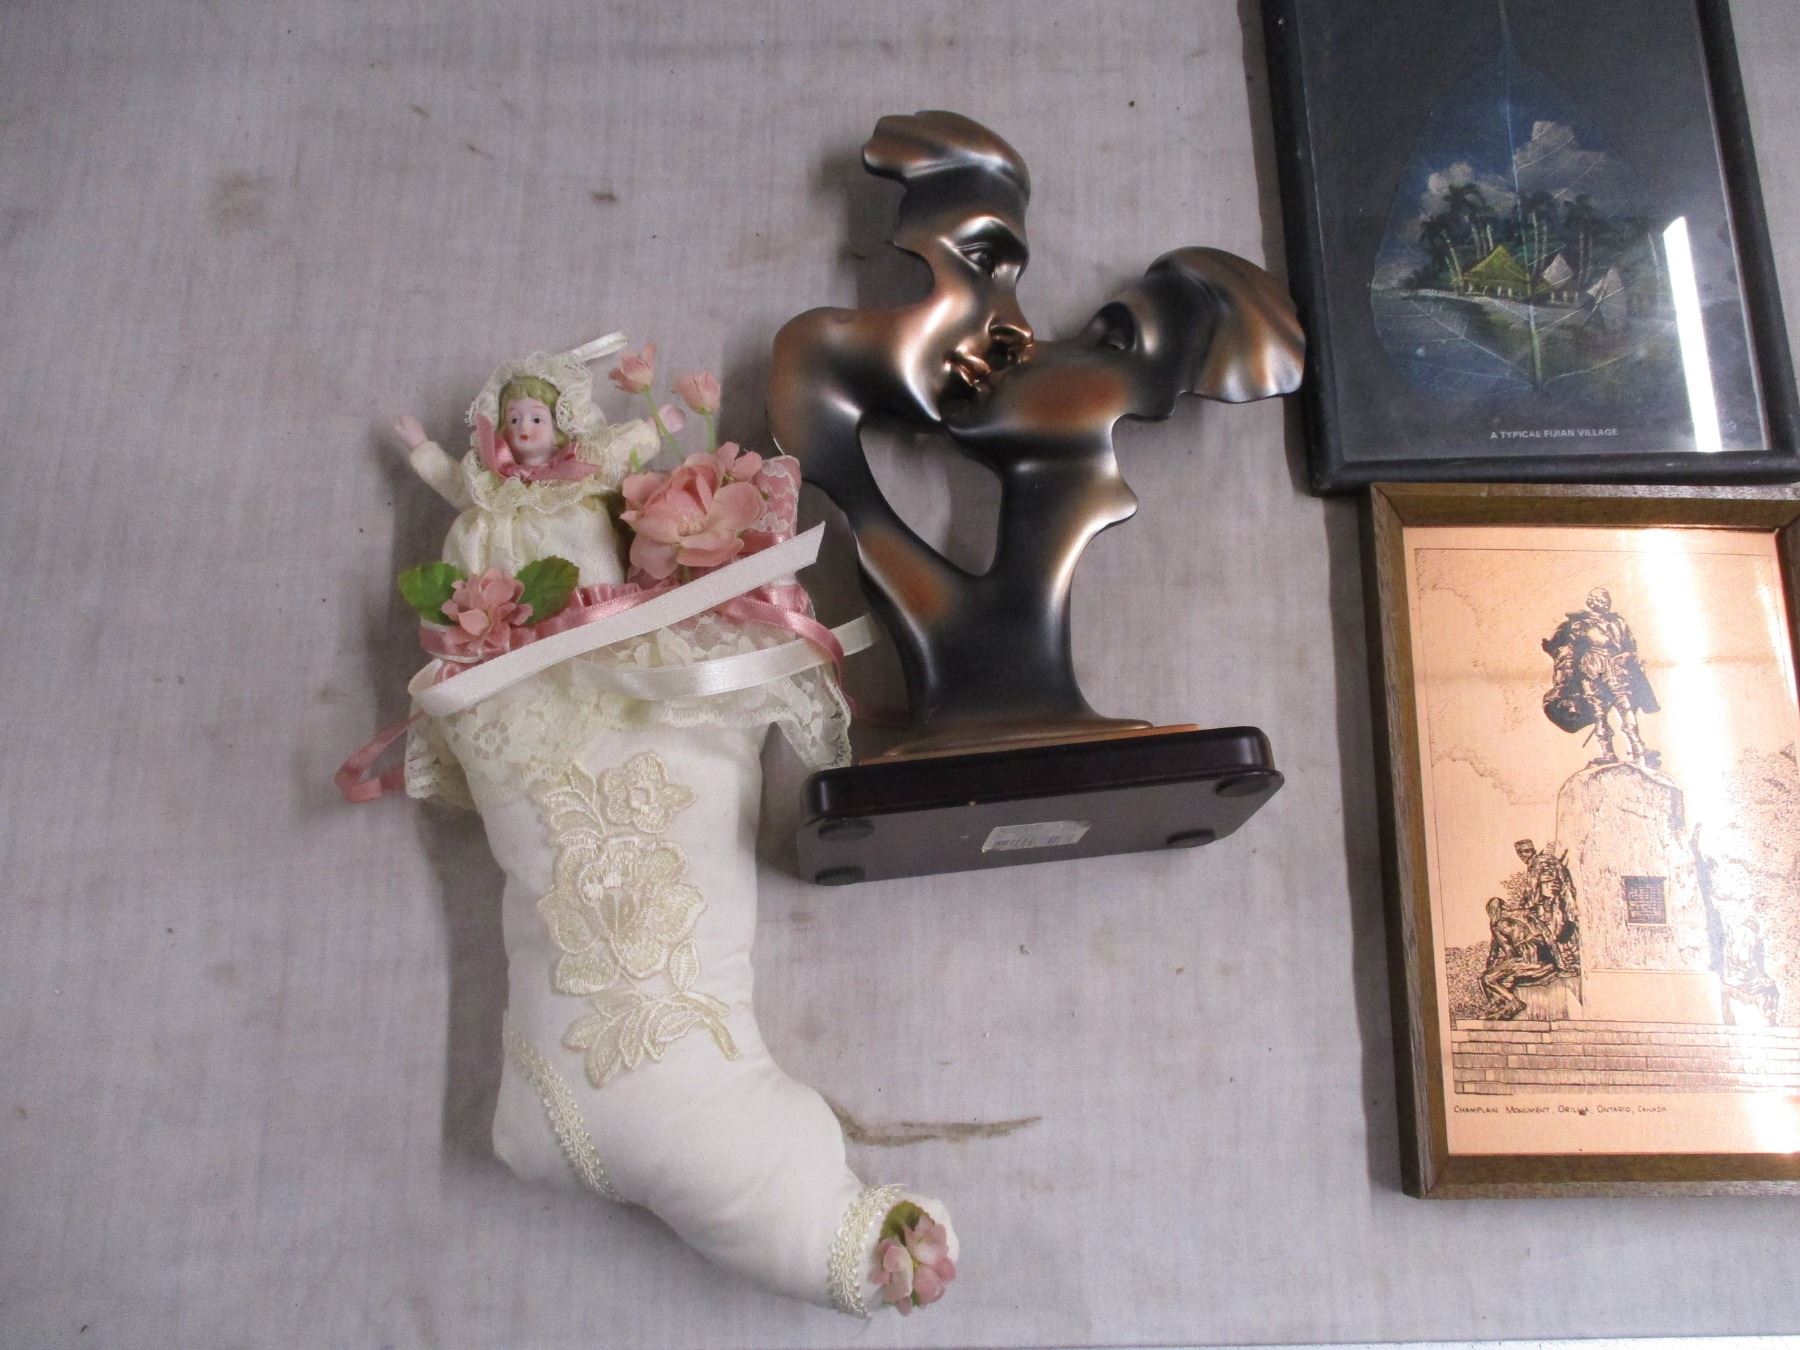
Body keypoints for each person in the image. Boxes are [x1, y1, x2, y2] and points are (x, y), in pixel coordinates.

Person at [392, 346, 659, 587]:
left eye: (536, 419)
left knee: (585, 532)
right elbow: (456, 484)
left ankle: (596, 606)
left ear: (558, 427)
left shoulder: (576, 467)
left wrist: (651, 429)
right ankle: (495, 613)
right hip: (511, 576)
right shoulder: (492, 480)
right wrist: (422, 446)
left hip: (571, 547)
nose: (524, 427)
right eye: (514, 419)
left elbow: (614, 453)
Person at [1541, 586, 1658, 765]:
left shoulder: (1618, 622)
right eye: (1600, 599)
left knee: (1626, 708)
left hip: (1617, 670)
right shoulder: (1579, 624)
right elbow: (1568, 650)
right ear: (1591, 602)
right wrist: (1566, 681)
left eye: (1606, 599)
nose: (1604, 603)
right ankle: (1607, 753)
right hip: (1592, 669)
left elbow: (1630, 646)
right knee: (1599, 712)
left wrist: (1627, 655)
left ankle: (1638, 748)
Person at [1481, 894, 1558, 1019]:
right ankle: (1502, 1005)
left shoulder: (1497, 925)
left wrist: (1496, 964)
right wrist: (1559, 961)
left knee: (1487, 978)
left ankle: (1513, 1003)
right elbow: (1548, 934)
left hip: (1529, 961)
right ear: (1505, 905)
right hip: (1547, 959)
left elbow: (1510, 952)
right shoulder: (1525, 912)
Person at [1513, 838, 1579, 972]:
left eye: (1524, 852)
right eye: (1521, 853)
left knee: (1548, 933)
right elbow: (1566, 880)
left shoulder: (1535, 863)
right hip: (1561, 901)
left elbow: (1531, 890)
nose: (1522, 856)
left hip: (1548, 903)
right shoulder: (1549, 859)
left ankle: (1562, 964)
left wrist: (1523, 907)